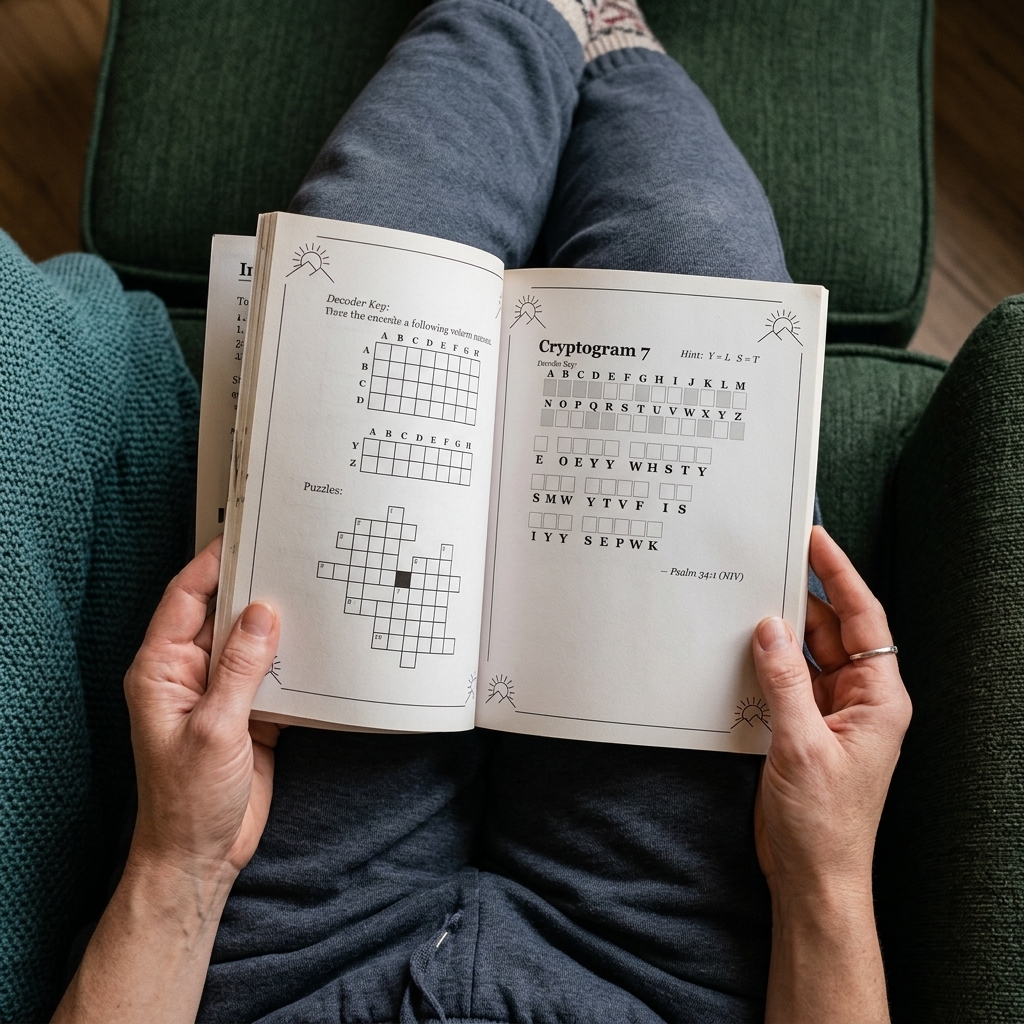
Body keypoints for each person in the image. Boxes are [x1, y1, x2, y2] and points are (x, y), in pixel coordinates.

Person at [46, 0, 912, 1019]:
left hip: (275, 960)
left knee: (375, 257)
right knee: (695, 269)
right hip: (653, 976)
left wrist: (176, 864)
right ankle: (607, 33)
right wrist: (828, 878)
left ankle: (529, 8)